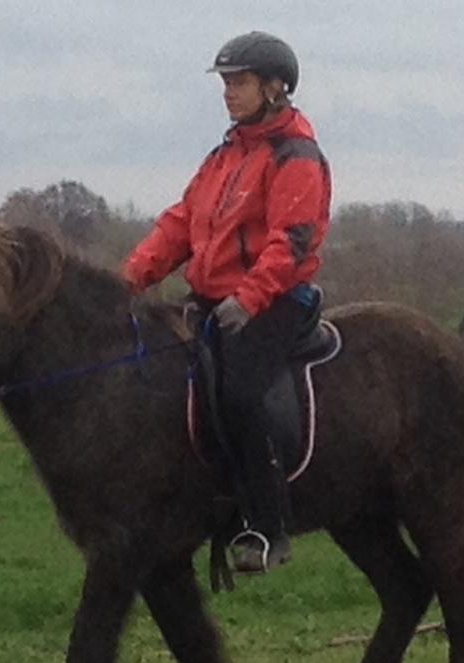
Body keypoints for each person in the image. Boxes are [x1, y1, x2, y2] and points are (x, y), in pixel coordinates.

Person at [122, 31, 332, 574]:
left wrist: (249, 297)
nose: (228, 93)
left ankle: (266, 525)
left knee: (240, 392)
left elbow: (293, 241)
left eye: (238, 82)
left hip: (275, 300)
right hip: (215, 299)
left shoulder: (296, 156)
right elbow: (180, 225)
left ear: (275, 87)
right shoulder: (225, 155)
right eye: (226, 83)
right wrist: (128, 280)